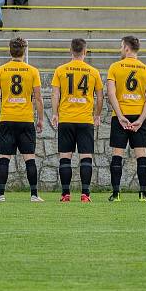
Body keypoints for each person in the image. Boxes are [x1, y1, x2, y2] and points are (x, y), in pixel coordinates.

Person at [0, 37, 43, 202]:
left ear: (10, 50)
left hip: (7, 119)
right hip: (26, 120)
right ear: (24, 51)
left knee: (4, 158)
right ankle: (34, 195)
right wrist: (40, 119)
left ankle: (0, 194)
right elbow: (38, 98)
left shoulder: (1, 70)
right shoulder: (33, 71)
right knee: (30, 158)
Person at [50, 38, 104, 202]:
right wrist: (97, 114)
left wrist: (55, 113)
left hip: (66, 118)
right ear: (85, 52)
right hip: (85, 120)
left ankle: (65, 194)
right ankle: (85, 194)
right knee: (86, 157)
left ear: (70, 51)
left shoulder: (61, 70)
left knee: (65, 157)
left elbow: (55, 94)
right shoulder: (93, 71)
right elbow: (100, 96)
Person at [106, 35, 146, 202]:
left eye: (121, 47)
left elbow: (111, 93)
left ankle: (116, 194)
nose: (120, 50)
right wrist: (141, 119)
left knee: (117, 155)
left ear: (127, 48)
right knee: (141, 155)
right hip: (138, 117)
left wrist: (120, 116)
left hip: (121, 116)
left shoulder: (115, 67)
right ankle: (143, 194)